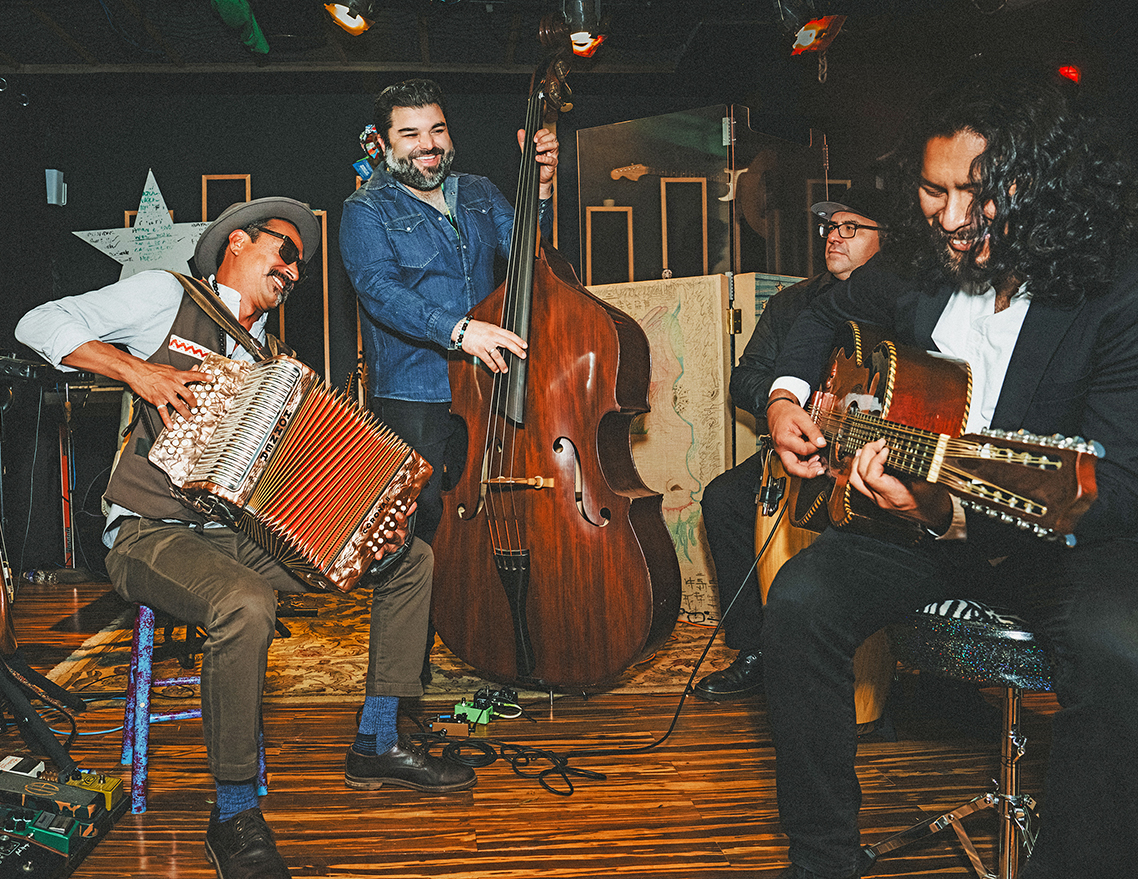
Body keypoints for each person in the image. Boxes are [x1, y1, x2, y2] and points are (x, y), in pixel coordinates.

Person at [16, 197, 474, 879]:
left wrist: (386, 496)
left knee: (408, 559)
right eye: (285, 251)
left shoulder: (274, 360)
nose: (294, 270)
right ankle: (232, 809)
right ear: (236, 241)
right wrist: (136, 370)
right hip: (149, 531)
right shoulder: (165, 295)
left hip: (232, 533)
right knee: (246, 602)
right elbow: (37, 322)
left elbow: (302, 484)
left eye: (302, 265)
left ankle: (377, 738)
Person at [763, 73, 1138, 879]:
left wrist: (957, 514)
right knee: (797, 604)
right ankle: (822, 858)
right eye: (936, 191)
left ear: (1039, 183)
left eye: (981, 191)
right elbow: (826, 310)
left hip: (1056, 540)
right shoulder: (922, 267)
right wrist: (789, 397)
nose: (955, 217)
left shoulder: (1115, 294)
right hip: (918, 522)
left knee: (1122, 653)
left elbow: (1121, 484)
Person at [339, 78, 559, 547]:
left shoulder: (478, 191)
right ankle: (416, 621)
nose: (429, 145)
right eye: (411, 134)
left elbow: (529, 254)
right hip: (413, 395)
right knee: (416, 529)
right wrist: (460, 331)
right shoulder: (365, 209)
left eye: (437, 130)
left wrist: (539, 188)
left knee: (481, 517)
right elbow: (379, 289)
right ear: (383, 142)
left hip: (483, 388)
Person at [694, 186, 886, 701]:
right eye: (830, 227)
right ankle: (755, 648)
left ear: (884, 240)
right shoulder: (792, 303)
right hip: (793, 448)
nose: (835, 238)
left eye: (852, 228)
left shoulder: (900, 301)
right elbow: (746, 377)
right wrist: (791, 408)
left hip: (873, 454)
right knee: (724, 500)